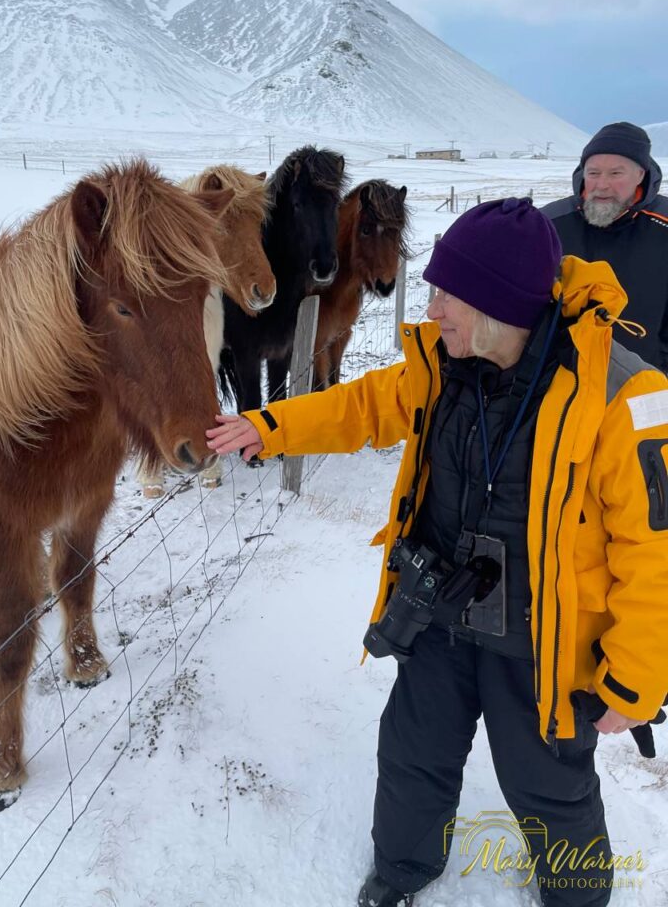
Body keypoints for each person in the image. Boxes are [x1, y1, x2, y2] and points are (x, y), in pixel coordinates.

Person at [206, 197, 668, 907]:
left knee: (548, 784)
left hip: (540, 641)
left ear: (499, 305)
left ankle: (576, 894)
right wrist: (269, 427)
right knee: (413, 753)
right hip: (440, 610)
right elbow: (362, 406)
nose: (432, 310)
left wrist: (636, 679)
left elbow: (653, 554)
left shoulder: (623, 396)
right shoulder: (443, 364)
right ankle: (401, 869)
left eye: (449, 295)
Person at [543, 121, 668, 372]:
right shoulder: (549, 224)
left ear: (640, 175)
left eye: (615, 174)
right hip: (558, 379)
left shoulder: (663, 227)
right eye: (594, 173)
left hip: (646, 380)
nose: (602, 185)